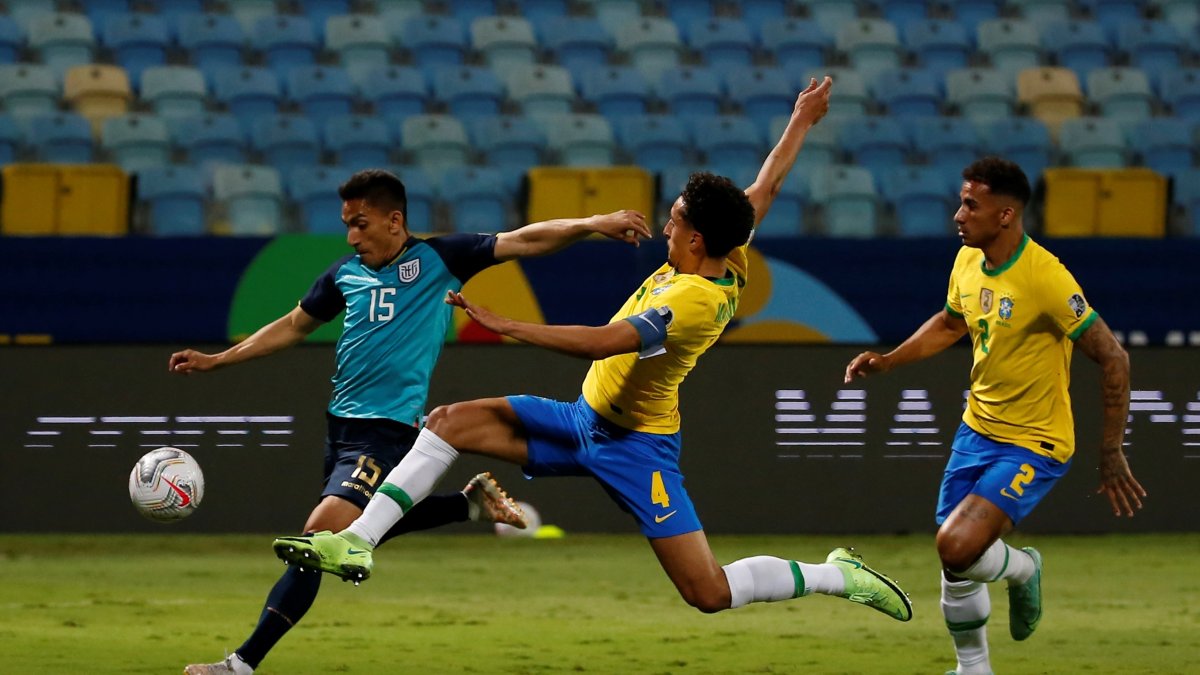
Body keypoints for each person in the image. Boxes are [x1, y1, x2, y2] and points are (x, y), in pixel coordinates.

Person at [274, 77, 915, 625]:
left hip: (637, 446)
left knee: (708, 592)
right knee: (447, 423)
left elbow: (606, 342)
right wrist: (801, 120)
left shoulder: (695, 300)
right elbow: (767, 185)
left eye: (674, 218)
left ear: (694, 238)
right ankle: (356, 542)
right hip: (581, 420)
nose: (665, 223)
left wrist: (509, 324)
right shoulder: (728, 247)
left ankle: (835, 574)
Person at [174, 168, 653, 675]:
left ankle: (241, 664)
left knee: (317, 542)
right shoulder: (344, 275)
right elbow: (294, 325)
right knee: (361, 524)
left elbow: (525, 240)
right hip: (341, 429)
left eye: (360, 224)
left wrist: (594, 221)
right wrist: (219, 360)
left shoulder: (441, 258)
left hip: (387, 431)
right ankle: (468, 506)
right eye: (347, 225)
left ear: (395, 221)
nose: (351, 236)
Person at [843, 157, 1147, 675]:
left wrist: (1111, 448)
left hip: (1036, 441)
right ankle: (973, 670)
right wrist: (890, 360)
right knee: (954, 560)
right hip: (976, 429)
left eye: (970, 205)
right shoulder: (967, 261)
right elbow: (948, 323)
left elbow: (1114, 357)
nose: (958, 215)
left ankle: (1024, 568)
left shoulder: (1046, 277)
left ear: (1005, 215)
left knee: (956, 545)